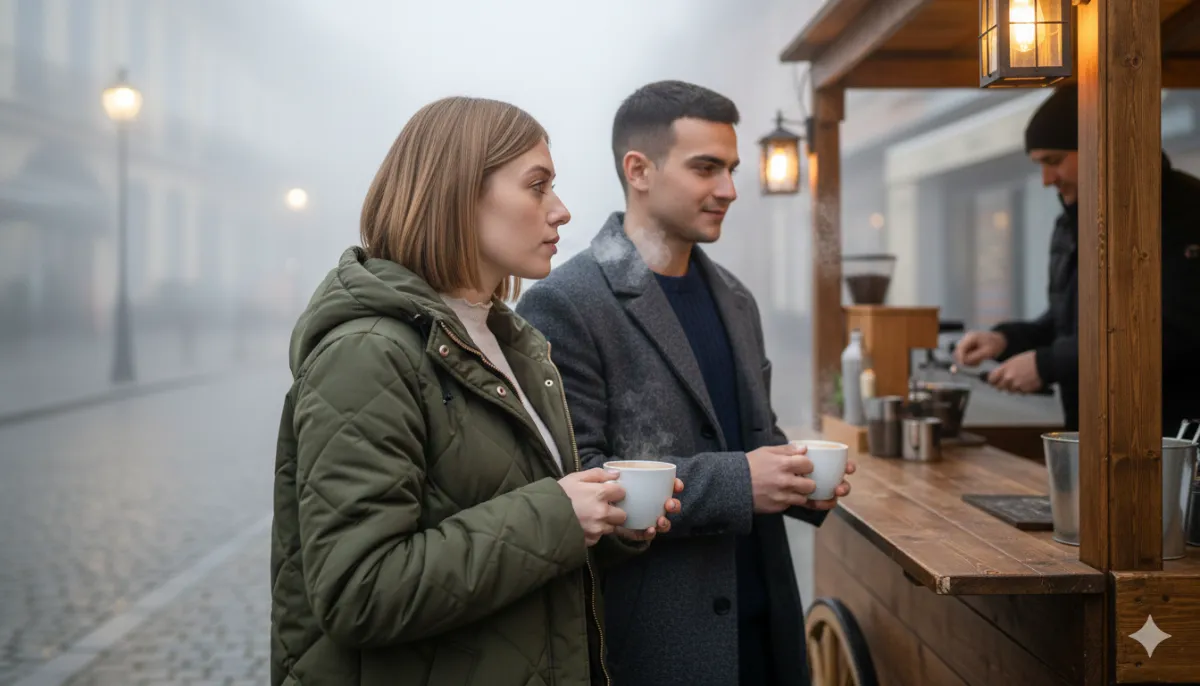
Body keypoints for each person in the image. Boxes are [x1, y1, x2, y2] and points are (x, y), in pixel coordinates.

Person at [270, 96, 682, 686]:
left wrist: (607, 523)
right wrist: (561, 514)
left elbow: (517, 533)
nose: (561, 211)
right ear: (457, 194)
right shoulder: (366, 352)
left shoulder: (509, 342)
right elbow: (358, 591)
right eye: (537, 186)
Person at [517, 80, 854, 686]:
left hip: (767, 630)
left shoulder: (736, 298)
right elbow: (575, 482)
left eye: (730, 169)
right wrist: (743, 481)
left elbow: (756, 437)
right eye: (706, 168)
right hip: (655, 648)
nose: (728, 189)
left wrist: (801, 480)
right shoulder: (565, 303)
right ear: (639, 170)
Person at [954, 84, 1200, 434]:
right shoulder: (1070, 222)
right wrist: (1005, 341)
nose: (1046, 180)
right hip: (1090, 434)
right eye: (1039, 165)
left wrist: (1048, 364)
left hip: (1176, 439)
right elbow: (1064, 322)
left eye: (1054, 161)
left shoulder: (1187, 212)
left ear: (1102, 147)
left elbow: (1171, 331)